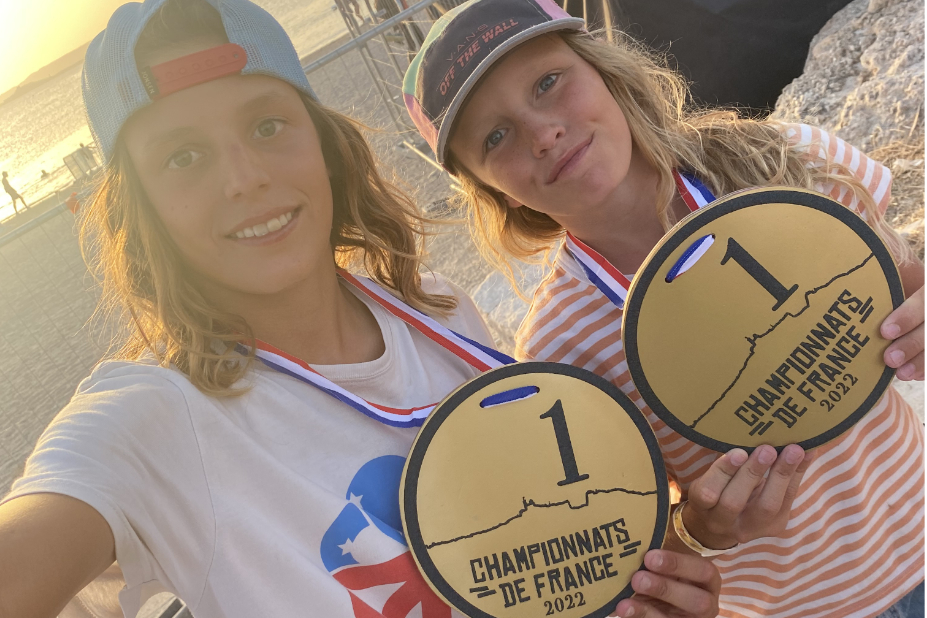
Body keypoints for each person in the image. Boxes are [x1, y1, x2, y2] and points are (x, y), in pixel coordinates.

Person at [0, 1, 753, 617]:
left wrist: (647, 579)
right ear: (141, 210)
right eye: (183, 157)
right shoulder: (150, 423)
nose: (244, 179)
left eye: (267, 126)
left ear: (327, 147)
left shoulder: (444, 317)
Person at [403, 0, 925, 616]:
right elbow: (627, 538)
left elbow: (905, 279)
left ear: (604, 69)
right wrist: (701, 527)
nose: (544, 134)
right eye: (496, 136)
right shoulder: (557, 349)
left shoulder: (781, 158)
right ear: (490, 190)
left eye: (548, 83)